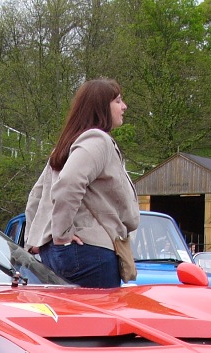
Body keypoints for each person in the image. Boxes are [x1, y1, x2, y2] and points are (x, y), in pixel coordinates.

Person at [24, 78, 139, 288]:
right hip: (90, 252)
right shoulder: (97, 141)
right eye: (118, 101)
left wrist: (34, 241)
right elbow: (68, 184)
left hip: (63, 253)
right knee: (98, 320)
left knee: (67, 320)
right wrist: (62, 236)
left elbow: (37, 196)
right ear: (102, 107)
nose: (124, 107)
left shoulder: (65, 148)